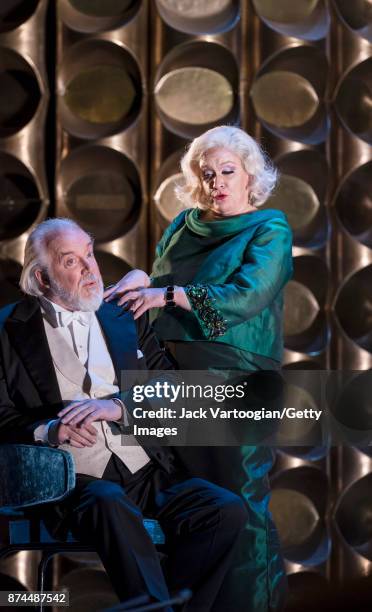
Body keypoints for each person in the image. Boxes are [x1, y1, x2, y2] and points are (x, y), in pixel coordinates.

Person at [0, 217, 249, 611]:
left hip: (144, 470)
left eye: (89, 254)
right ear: (43, 279)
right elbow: (2, 415)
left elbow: (172, 390)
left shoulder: (123, 315)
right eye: (71, 261)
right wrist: (49, 431)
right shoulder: (8, 330)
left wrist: (119, 406)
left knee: (225, 509)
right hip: (70, 481)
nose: (90, 269)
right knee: (107, 498)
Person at [104, 125, 293, 611]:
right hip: (170, 380)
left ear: (250, 174)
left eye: (227, 171)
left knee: (241, 505)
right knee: (197, 511)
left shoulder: (269, 227)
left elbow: (248, 296)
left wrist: (165, 293)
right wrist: (141, 277)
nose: (217, 183)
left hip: (237, 378)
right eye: (207, 174)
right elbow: (160, 286)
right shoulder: (184, 224)